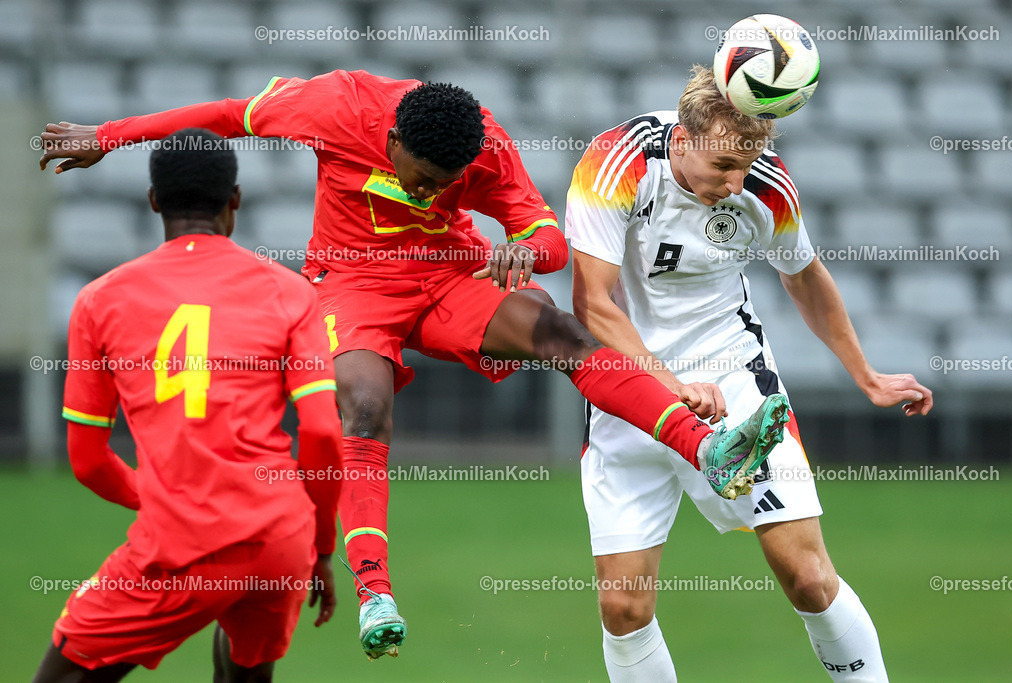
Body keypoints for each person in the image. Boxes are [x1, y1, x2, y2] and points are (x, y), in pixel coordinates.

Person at [40, 70, 789, 660]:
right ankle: (375, 594)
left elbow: (548, 236)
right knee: (360, 403)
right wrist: (106, 137)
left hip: (445, 275)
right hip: (352, 283)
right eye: (417, 175)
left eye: (440, 182)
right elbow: (225, 113)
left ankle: (709, 449)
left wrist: (524, 251)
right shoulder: (336, 105)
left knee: (559, 330)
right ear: (392, 135)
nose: (426, 189)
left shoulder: (485, 145)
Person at [565, 65, 934, 682]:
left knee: (810, 579)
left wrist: (865, 374)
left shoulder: (764, 186)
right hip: (628, 388)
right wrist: (670, 387)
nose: (736, 184)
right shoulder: (615, 164)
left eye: (745, 166)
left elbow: (804, 275)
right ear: (681, 143)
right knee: (623, 605)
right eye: (722, 169)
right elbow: (593, 304)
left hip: (736, 381)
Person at [32, 128, 343, 682]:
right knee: (245, 670)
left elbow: (87, 460)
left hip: (180, 542)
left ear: (154, 201)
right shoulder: (291, 291)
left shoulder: (100, 300)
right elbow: (320, 431)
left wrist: (163, 500)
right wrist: (319, 546)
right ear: (236, 200)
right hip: (280, 538)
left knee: (65, 674)